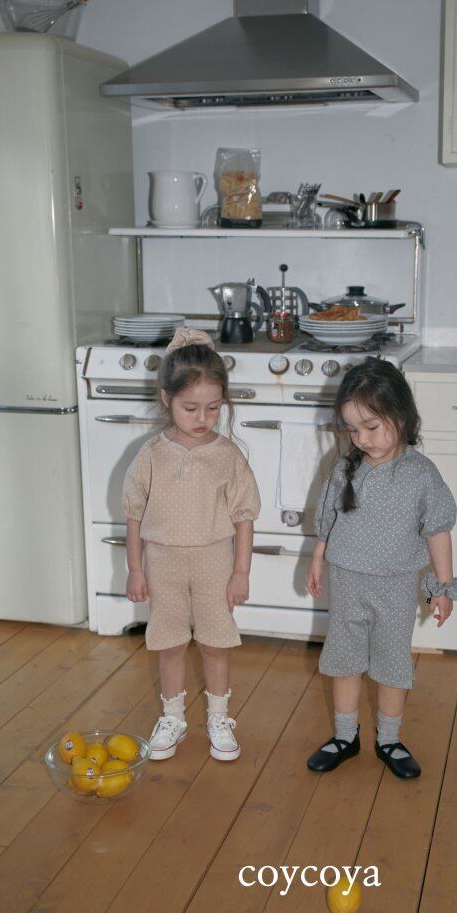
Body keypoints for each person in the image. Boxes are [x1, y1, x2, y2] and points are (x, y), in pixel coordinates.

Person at [306, 357, 457, 780]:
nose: (362, 439)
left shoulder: (420, 474)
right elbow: (329, 519)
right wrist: (318, 558)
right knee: (344, 659)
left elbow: (438, 530)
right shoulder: (346, 467)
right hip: (346, 579)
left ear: (401, 417)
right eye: (352, 430)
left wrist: (444, 585)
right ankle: (345, 736)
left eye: (371, 427)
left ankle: (389, 739)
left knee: (392, 662)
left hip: (395, 585)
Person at [122, 327, 260, 763]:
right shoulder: (151, 454)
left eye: (213, 408)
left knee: (216, 643)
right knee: (169, 642)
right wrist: (135, 568)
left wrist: (241, 572)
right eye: (191, 408)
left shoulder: (228, 454)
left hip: (214, 561)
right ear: (166, 399)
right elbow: (134, 514)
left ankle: (219, 716)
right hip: (162, 562)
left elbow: (244, 516)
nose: (203, 418)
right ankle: (173, 717)